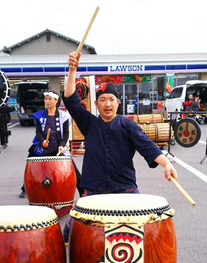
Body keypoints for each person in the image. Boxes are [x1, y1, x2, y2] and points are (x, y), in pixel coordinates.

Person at [62, 51, 178, 243]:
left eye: (111, 99)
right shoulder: (89, 123)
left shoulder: (128, 126)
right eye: (102, 100)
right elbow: (71, 100)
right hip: (93, 189)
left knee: (144, 224)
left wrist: (167, 164)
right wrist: (72, 70)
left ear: (118, 102)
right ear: (97, 104)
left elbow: (148, 147)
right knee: (71, 231)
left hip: (125, 188)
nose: (107, 104)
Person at [19, 90, 83, 198]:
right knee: (31, 163)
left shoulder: (64, 116)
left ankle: (82, 191)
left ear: (56, 101)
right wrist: (42, 141)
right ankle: (25, 188)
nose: (47, 101)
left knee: (72, 166)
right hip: (43, 147)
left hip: (58, 147)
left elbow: (66, 133)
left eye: (49, 99)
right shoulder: (40, 115)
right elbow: (38, 132)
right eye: (45, 99)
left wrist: (62, 145)